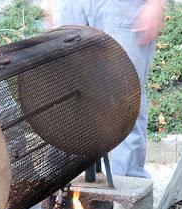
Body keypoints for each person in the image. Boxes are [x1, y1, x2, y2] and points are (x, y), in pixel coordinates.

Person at [46, 0, 166, 178]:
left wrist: (155, 4)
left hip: (122, 7)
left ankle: (128, 192)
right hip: (70, 6)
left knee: (126, 99)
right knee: (67, 96)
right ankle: (66, 191)